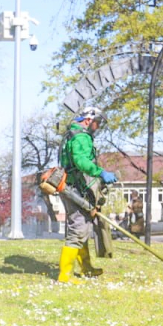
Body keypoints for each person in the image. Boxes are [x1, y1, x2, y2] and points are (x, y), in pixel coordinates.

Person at [57, 106, 117, 283]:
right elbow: (80, 161)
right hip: (74, 188)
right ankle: (65, 276)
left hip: (72, 186)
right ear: (88, 120)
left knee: (83, 228)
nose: (98, 127)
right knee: (78, 229)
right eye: (97, 123)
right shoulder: (81, 136)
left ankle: (86, 268)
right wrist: (100, 172)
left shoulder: (72, 134)